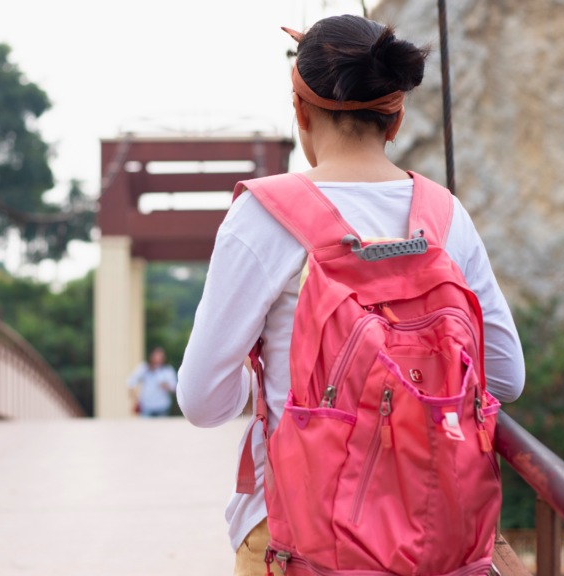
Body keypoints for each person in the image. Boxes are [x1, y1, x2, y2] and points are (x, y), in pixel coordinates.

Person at [176, 15, 525, 576]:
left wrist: (266, 381)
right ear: (396, 118)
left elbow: (201, 401)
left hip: (295, 535)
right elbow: (505, 379)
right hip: (435, 535)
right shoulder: (442, 215)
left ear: (299, 111)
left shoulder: (263, 217)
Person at [127, 347, 177, 417]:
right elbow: (131, 380)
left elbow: (175, 388)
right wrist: (134, 395)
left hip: (162, 407)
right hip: (147, 407)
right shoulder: (144, 368)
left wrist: (167, 386)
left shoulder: (167, 370)